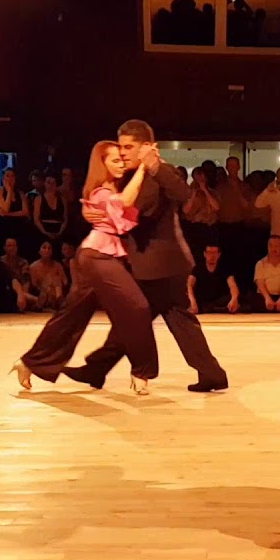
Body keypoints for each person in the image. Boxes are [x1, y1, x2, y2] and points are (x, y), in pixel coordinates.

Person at [69, 120, 228, 393]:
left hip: (158, 264)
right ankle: (212, 374)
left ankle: (96, 369)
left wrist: (151, 167)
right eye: (120, 147)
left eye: (128, 147)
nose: (123, 153)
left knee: (137, 318)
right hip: (158, 263)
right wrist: (93, 210)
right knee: (166, 319)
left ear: (146, 147)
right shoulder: (135, 176)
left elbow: (181, 194)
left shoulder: (159, 171)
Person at [13, 141, 159, 394]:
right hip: (97, 256)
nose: (121, 164)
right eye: (115, 160)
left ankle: (29, 362)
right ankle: (141, 371)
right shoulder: (100, 192)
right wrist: (143, 168)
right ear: (102, 165)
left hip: (105, 255)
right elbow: (124, 202)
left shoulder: (114, 188)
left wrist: (148, 163)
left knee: (72, 315)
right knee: (136, 306)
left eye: (122, 160)